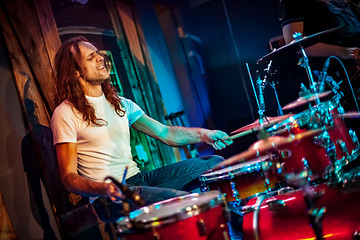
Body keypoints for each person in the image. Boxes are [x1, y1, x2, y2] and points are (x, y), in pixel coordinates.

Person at [50, 36, 233, 222]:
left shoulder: (121, 104)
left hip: (139, 181)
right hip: (108, 199)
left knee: (214, 164)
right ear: (75, 73)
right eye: (90, 58)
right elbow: (69, 177)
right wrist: (103, 188)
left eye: (97, 53)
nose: (99, 58)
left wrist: (205, 135)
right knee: (182, 203)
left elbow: (166, 133)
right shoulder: (66, 113)